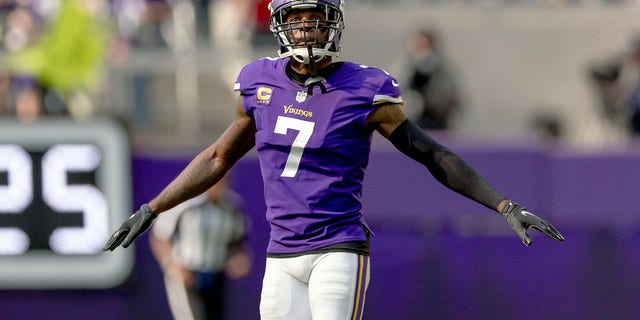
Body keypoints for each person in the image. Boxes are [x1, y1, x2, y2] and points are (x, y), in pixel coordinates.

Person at [103, 1, 565, 319]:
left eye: (315, 19)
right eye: (298, 19)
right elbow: (219, 156)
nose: (306, 29)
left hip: (337, 249)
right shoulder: (259, 83)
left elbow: (431, 154)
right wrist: (153, 208)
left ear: (333, 24)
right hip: (281, 254)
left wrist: (503, 204)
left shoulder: (366, 88)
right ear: (281, 23)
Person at [149, 177, 251, 320]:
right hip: (189, 273)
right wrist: (171, 265)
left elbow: (237, 241)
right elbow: (160, 236)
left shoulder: (232, 206)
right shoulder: (186, 204)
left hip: (217, 274)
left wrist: (238, 259)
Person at [401, 28, 462, 130]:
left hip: (436, 124)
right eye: (418, 46)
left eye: (424, 46)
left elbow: (454, 97)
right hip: (408, 125)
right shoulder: (404, 67)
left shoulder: (443, 70)